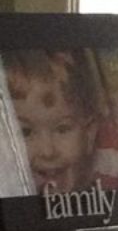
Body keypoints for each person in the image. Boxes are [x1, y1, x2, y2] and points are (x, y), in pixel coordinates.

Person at [2, 48, 108, 196]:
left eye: (62, 129)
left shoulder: (110, 191)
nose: (48, 151)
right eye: (25, 132)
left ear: (89, 133)